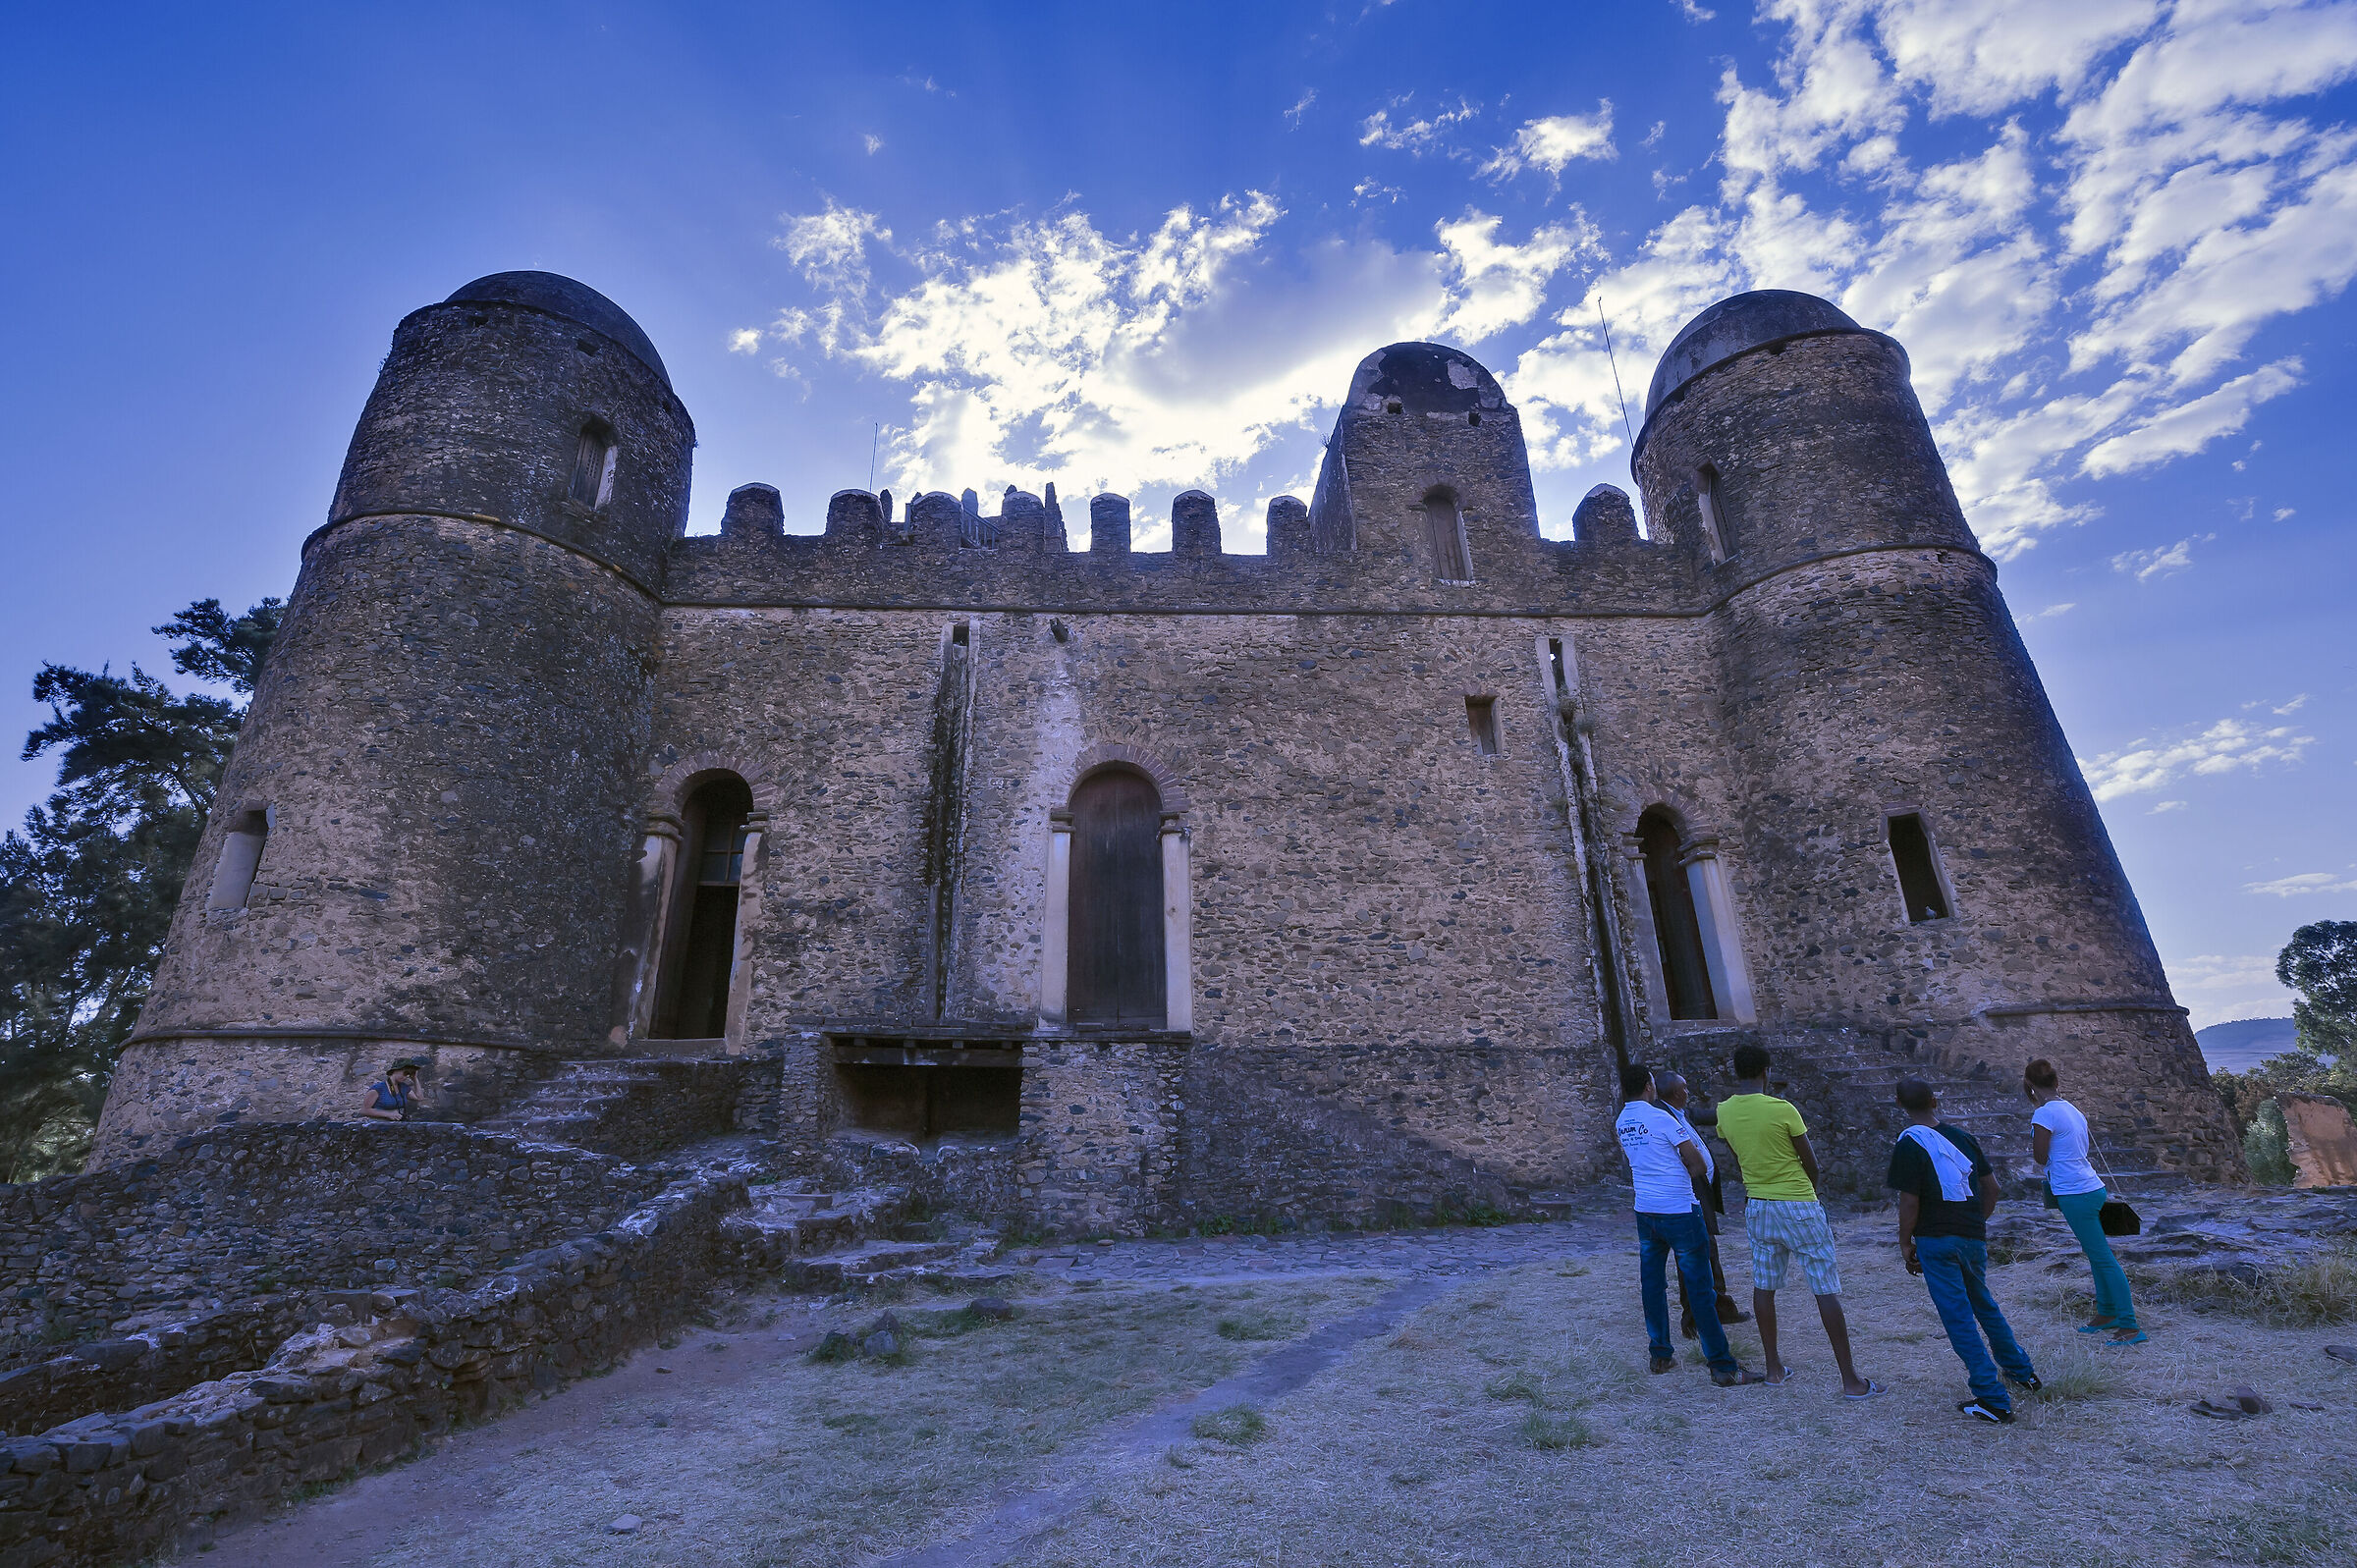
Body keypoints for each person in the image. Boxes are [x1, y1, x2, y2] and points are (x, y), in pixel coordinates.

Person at [1714, 1042, 1881, 1397]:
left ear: (1736, 1072)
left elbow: (1738, 1157)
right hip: (1798, 1202)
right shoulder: (1783, 1109)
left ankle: (1774, 1368)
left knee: (1764, 1285)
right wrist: (1811, 1195)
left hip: (1757, 1204)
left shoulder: (1723, 1112)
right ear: (1766, 1072)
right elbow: (1812, 1163)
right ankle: (1851, 1380)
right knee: (1824, 1288)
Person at [1890, 1078, 2042, 1425]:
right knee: (1985, 1306)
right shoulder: (1964, 1138)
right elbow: (1993, 1187)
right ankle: (2022, 1372)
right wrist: (1976, 1222)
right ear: (1935, 1101)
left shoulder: (1909, 1143)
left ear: (1900, 1104)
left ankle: (1992, 1397)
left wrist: (1905, 1241)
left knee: (1958, 1318)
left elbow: (1909, 1200)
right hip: (1971, 1236)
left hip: (1936, 1239)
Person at [1614, 1060, 1765, 1387]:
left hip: (1646, 1210)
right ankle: (1722, 1365)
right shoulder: (1661, 1118)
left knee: (1652, 1285)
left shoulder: (1623, 1120)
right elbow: (1695, 1162)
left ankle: (1661, 1353)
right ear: (1649, 1087)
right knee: (1700, 1288)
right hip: (1680, 1209)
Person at [2025, 1057, 2143, 1346]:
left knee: (2103, 1258)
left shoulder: (2044, 1114)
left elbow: (2040, 1157)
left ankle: (2129, 1325)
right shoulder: (2072, 1110)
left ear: (2029, 1085)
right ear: (2056, 1082)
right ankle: (2107, 1313)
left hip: (2074, 1193)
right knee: (2097, 1254)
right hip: (2091, 1186)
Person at [1654, 1072, 1749, 1337]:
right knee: (1693, 1255)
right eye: (1684, 1088)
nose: (1689, 1091)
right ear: (1674, 1093)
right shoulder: (1662, 1116)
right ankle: (1693, 1319)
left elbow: (1715, 1114)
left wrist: (1742, 1107)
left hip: (1701, 1191)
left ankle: (1720, 1307)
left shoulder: (1682, 1113)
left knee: (1709, 1250)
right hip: (1687, 1192)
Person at [358, 1057, 426, 1122]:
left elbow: (419, 1098)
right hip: (378, 1126)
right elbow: (364, 1110)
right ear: (395, 1070)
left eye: (409, 1074)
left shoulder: (404, 1087)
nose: (406, 1077)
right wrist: (388, 1114)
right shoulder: (378, 1088)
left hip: (396, 1126)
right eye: (405, 1073)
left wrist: (415, 1079)